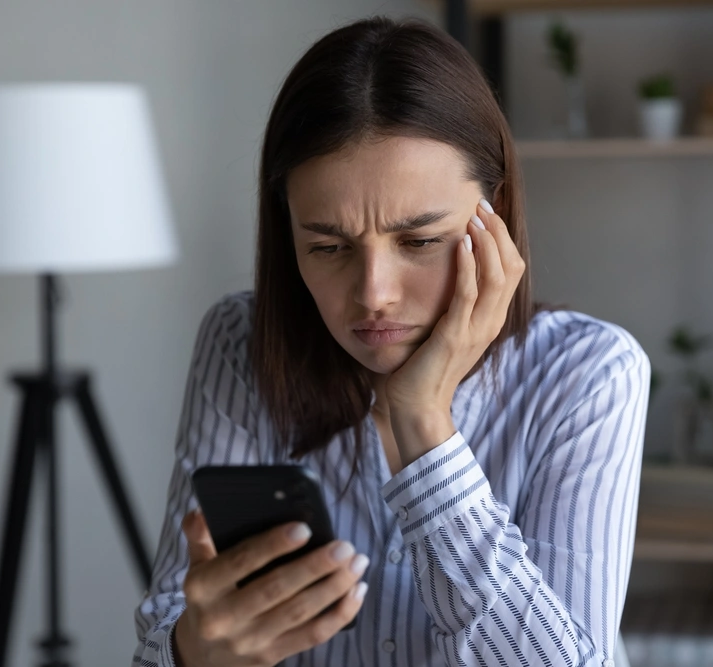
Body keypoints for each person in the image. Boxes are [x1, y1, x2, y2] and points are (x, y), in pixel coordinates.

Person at [132, 15, 649, 667]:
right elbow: (158, 642)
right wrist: (193, 652)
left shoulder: (588, 375)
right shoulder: (240, 345)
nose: (373, 293)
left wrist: (423, 422)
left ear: (497, 211)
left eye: (420, 241)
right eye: (328, 246)